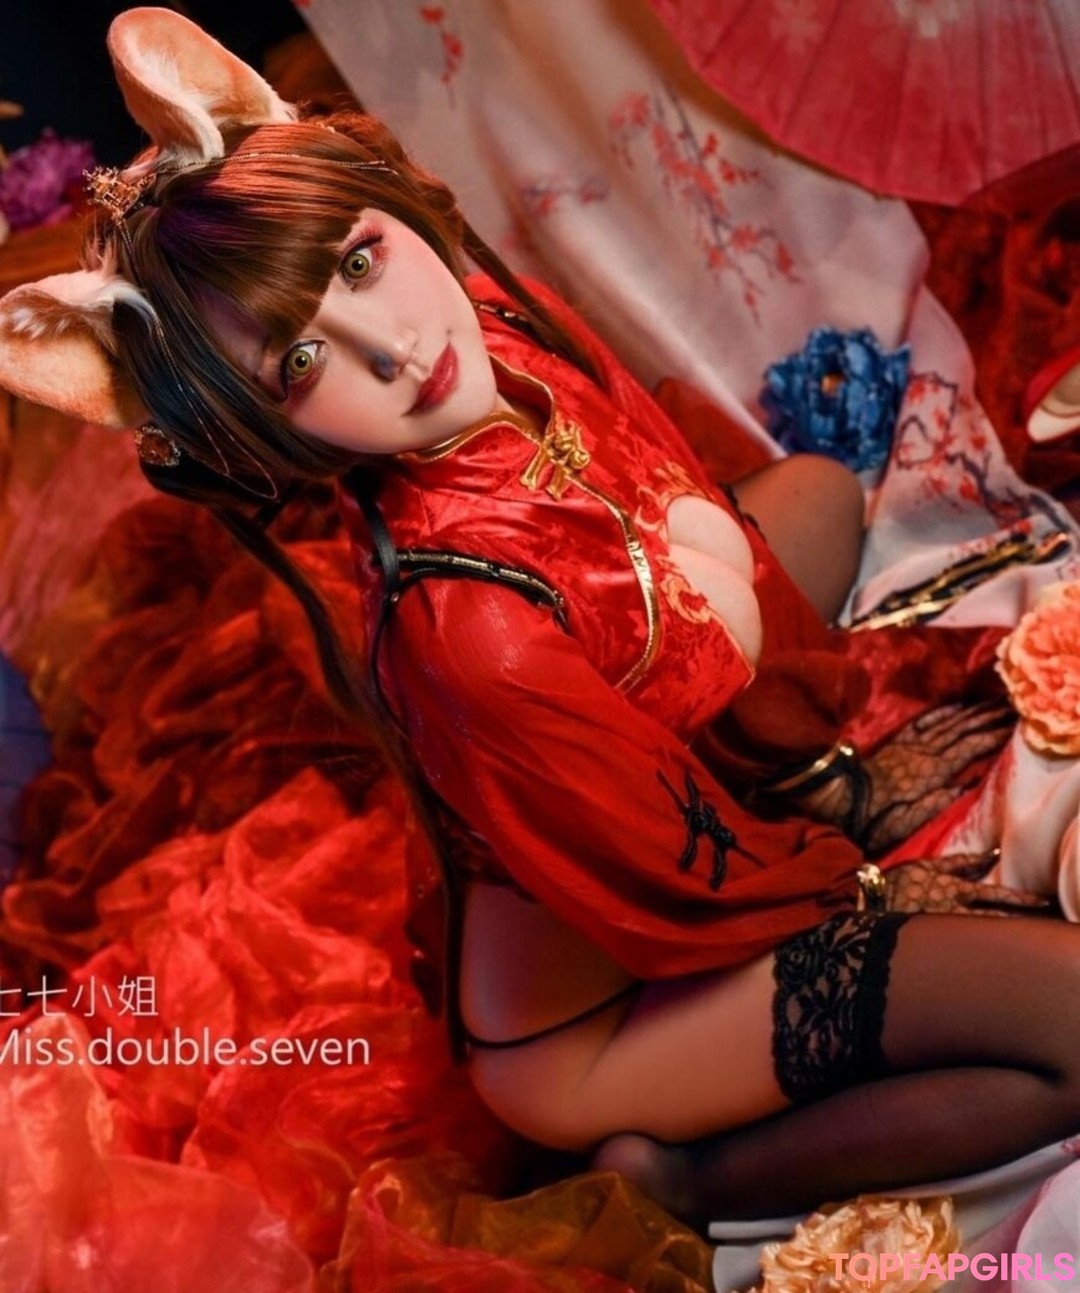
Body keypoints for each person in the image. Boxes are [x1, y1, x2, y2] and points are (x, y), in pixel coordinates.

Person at [1, 8, 1078, 1233]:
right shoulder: (473, 632)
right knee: (1065, 1019)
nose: (395, 347)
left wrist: (815, 754)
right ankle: (687, 1178)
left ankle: (746, 741)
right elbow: (677, 895)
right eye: (300, 367)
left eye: (359, 264)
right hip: (608, 1012)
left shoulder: (493, 327)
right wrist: (869, 870)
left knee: (817, 496)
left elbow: (662, 489)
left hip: (647, 738)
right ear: (267, 438)